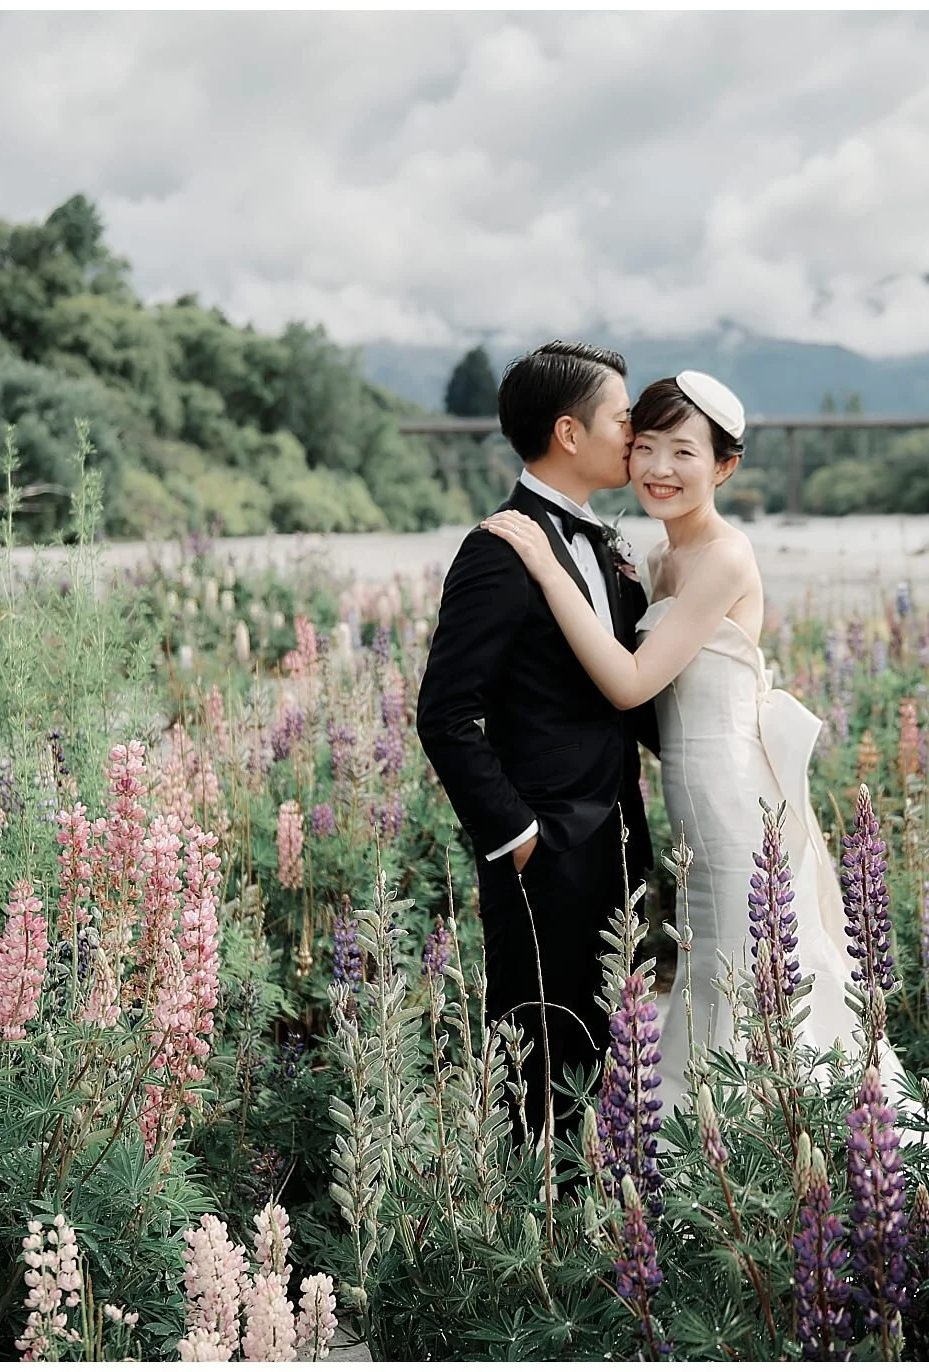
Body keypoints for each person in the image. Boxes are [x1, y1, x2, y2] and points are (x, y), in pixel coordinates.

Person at [478, 370, 923, 1111]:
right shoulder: (655, 562)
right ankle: (719, 1148)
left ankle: (789, 1136)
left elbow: (629, 684)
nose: (657, 469)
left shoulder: (726, 556)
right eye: (644, 446)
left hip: (735, 798)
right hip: (687, 795)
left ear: (724, 466)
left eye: (683, 452)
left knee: (749, 967)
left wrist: (551, 574)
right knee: (707, 967)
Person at [415, 340, 659, 1147]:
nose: (636, 434)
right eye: (623, 419)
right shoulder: (497, 551)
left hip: (620, 844)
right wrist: (518, 837)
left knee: (615, 1064)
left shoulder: (605, 548)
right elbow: (444, 714)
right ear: (569, 431)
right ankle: (539, 1249)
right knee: (542, 1081)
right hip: (545, 856)